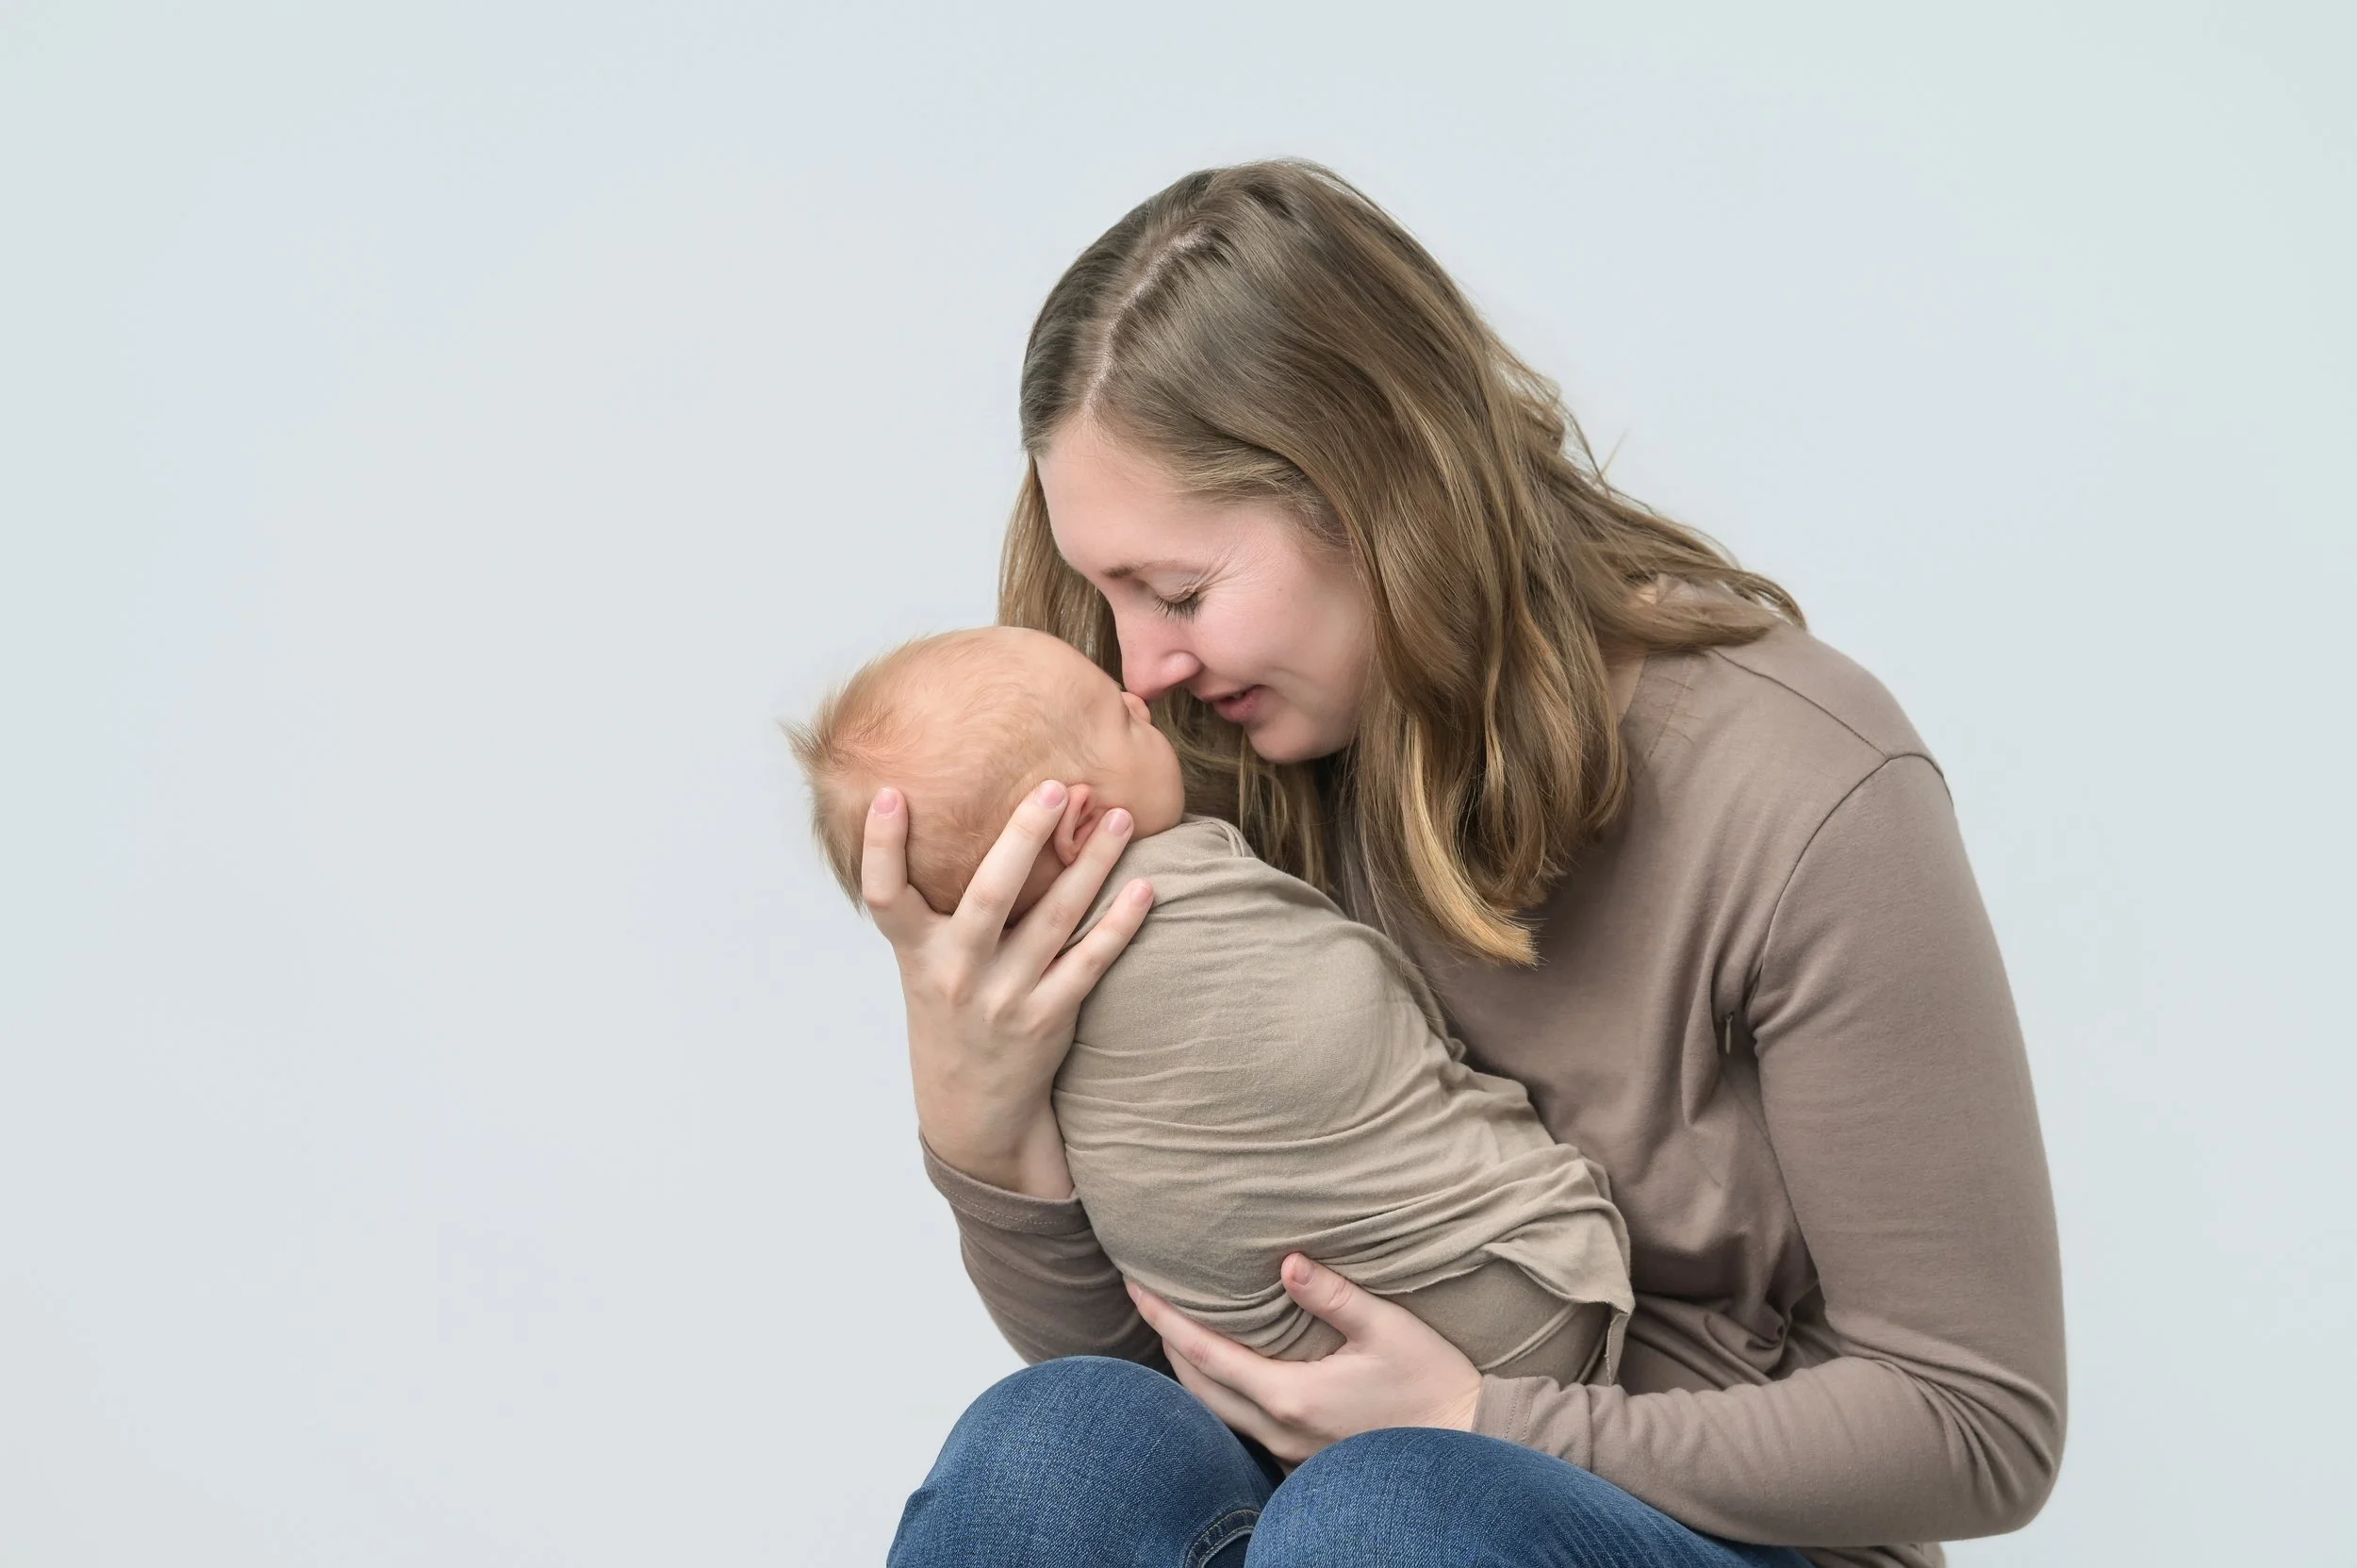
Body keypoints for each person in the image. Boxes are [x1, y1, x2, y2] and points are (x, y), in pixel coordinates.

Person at [868, 160, 2065, 1568]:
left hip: (1706, 1530)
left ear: (1380, 489)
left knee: (1395, 1510)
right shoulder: (1198, 767)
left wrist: (1480, 1414)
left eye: (1182, 592)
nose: (1141, 666)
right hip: (1323, 1518)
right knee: (1056, 1439)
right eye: (1115, 594)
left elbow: (1977, 1425)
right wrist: (983, 1134)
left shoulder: (1801, 784)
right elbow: (1169, 1361)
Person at [791, 626, 1632, 1386]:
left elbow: (1116, 1361)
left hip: (1253, 1390)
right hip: (1528, 1305)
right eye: (1115, 716)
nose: (1138, 692)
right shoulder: (1189, 881)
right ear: (1079, 825)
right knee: (1031, 1439)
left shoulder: (1026, 1019)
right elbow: (1390, 1011)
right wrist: (971, 1137)